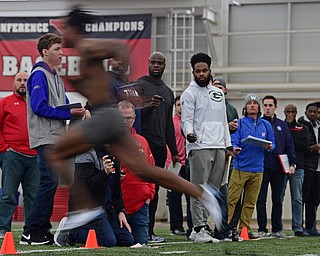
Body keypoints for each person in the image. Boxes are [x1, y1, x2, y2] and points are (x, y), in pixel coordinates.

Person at [47, 7, 223, 240]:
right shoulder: (84, 54)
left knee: (56, 154)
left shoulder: (86, 47)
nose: (61, 36)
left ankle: (85, 208)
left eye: (63, 30)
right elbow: (97, 85)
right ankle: (203, 193)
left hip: (103, 117)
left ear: (73, 29)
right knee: (145, 171)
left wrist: (122, 77)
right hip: (111, 120)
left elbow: (119, 48)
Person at [19, 33, 85, 245]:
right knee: (48, 183)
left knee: (50, 183)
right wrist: (69, 113)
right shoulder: (38, 74)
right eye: (57, 49)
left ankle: (41, 229)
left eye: (62, 49)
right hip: (45, 137)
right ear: (45, 51)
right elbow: (39, 108)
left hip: (55, 138)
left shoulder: (55, 76)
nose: (62, 53)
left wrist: (79, 109)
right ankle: (30, 232)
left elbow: (62, 103)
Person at [180, 52, 232, 243]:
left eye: (204, 70)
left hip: (219, 146)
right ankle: (199, 227)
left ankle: (202, 228)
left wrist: (228, 144)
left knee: (213, 191)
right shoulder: (189, 94)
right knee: (199, 189)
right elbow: (186, 121)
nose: (201, 74)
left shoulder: (218, 93)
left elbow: (223, 121)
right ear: (193, 71)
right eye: (197, 71)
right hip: (199, 146)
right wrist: (189, 134)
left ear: (210, 70)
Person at [134, 51, 180, 243]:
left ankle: (150, 231)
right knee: (138, 187)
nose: (156, 65)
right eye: (153, 62)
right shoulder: (140, 85)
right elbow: (132, 114)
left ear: (164, 66)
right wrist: (148, 107)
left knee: (154, 191)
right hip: (142, 143)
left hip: (160, 146)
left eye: (159, 63)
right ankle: (137, 229)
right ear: (148, 63)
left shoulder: (168, 92)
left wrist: (175, 152)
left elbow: (169, 124)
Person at [54, 143, 134, 247]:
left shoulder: (115, 152)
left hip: (106, 208)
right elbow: (84, 186)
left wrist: (121, 211)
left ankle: (98, 229)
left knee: (127, 240)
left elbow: (116, 188)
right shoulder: (86, 152)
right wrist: (104, 173)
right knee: (109, 241)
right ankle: (71, 231)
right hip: (88, 208)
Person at [228, 94, 274, 239]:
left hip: (258, 169)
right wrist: (235, 148)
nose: (252, 105)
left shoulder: (266, 124)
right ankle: (224, 228)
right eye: (249, 103)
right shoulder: (239, 123)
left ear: (259, 107)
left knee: (250, 202)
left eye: (255, 103)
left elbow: (273, 143)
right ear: (245, 108)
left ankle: (244, 230)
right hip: (240, 167)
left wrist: (269, 146)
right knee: (232, 199)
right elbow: (234, 140)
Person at [0, 72, 39, 238]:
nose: (23, 83)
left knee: (33, 197)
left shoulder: (36, 104)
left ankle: (30, 232)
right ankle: (3, 229)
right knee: (8, 195)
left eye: (26, 80)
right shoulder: (4, 103)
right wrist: (4, 149)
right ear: (13, 83)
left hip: (35, 156)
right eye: (19, 80)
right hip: (12, 155)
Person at [256, 95, 297, 239]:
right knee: (260, 199)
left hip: (279, 168)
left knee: (278, 199)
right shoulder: (258, 123)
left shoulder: (282, 125)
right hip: (261, 167)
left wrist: (292, 163)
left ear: (275, 107)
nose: (267, 108)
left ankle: (277, 229)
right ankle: (261, 228)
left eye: (270, 105)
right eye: (265, 105)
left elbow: (289, 145)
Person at [116, 100, 155, 245]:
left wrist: (149, 194)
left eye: (129, 118)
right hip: (117, 207)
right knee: (118, 243)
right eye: (122, 118)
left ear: (134, 118)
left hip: (140, 204)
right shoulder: (108, 142)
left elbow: (152, 170)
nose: (126, 122)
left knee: (141, 243)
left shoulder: (142, 141)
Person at [212, 77, 239, 240]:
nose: (217, 89)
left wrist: (230, 141)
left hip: (225, 154)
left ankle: (222, 229)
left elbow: (235, 133)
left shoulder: (231, 109)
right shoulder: (205, 104)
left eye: (220, 87)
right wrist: (225, 127)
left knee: (223, 193)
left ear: (225, 90)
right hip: (207, 152)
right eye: (214, 86)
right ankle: (197, 227)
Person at [166, 96, 193, 236]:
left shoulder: (191, 122)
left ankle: (192, 225)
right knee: (175, 197)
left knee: (190, 195)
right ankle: (176, 226)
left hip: (189, 161)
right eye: (178, 105)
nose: (181, 107)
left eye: (183, 104)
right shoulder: (171, 122)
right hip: (175, 163)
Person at [283, 104, 310, 237]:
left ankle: (298, 226)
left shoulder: (302, 128)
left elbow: (305, 144)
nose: (290, 114)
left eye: (293, 111)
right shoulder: (281, 126)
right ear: (284, 112)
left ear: (296, 112)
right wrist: (291, 143)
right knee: (278, 197)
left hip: (298, 165)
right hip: (281, 165)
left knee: (297, 198)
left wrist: (289, 142)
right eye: (288, 111)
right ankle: (277, 226)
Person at [298, 103, 320, 236]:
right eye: (310, 111)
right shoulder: (302, 126)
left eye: (315, 112)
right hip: (308, 165)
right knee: (305, 196)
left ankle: (311, 225)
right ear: (306, 112)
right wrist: (312, 147)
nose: (313, 114)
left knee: (315, 198)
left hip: (318, 167)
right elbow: (302, 145)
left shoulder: (318, 126)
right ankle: (301, 226)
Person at [108, 57, 141, 133]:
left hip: (134, 136)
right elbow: (108, 112)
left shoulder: (127, 84)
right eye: (116, 59)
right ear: (110, 61)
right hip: (120, 138)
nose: (120, 62)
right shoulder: (108, 81)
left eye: (123, 59)